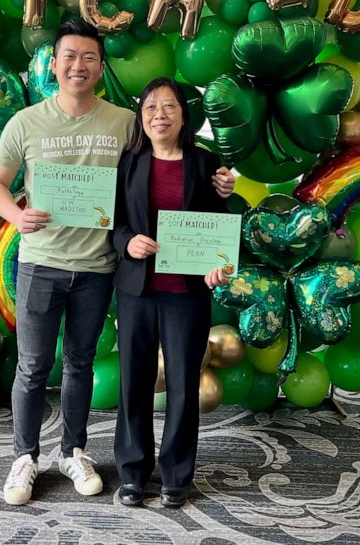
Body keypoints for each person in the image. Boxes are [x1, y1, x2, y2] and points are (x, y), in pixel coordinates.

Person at [0, 20, 234, 506]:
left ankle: (79, 452)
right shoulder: (29, 123)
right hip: (50, 264)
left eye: (89, 58)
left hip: (102, 271)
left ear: (101, 67)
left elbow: (200, 208)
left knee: (82, 364)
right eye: (69, 57)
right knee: (35, 366)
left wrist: (224, 188)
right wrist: (18, 214)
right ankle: (28, 457)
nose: (79, 66)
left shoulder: (130, 127)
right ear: (54, 64)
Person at [111, 77, 233, 509]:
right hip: (137, 289)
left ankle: (177, 475)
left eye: (168, 107)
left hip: (187, 293)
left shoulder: (205, 165)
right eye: (149, 108)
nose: (158, 115)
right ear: (141, 117)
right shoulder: (128, 162)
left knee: (183, 384)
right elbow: (113, 222)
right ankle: (132, 472)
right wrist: (127, 242)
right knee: (135, 383)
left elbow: (218, 231)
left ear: (184, 115)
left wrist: (220, 267)